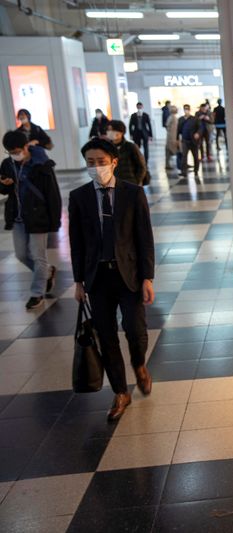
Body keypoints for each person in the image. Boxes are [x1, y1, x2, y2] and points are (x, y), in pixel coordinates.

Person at [69, 137, 155, 422]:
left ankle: (140, 364)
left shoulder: (133, 193)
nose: (96, 167)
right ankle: (121, 392)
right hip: (97, 278)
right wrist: (79, 281)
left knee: (135, 329)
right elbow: (77, 242)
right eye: (90, 163)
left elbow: (144, 238)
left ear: (114, 162)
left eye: (101, 162)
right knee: (106, 338)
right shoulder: (79, 197)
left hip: (128, 274)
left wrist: (147, 277)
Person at [0, 131, 61, 310]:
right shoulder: (7, 164)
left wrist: (54, 220)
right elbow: (2, 189)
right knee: (21, 255)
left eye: (17, 150)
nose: (14, 154)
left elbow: (53, 195)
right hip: (18, 217)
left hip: (38, 216)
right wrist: (4, 185)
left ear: (27, 146)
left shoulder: (42, 165)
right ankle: (48, 272)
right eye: (10, 151)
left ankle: (37, 293)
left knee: (37, 255)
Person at [106, 120, 147, 186]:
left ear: (121, 132)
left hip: (131, 183)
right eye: (108, 130)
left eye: (112, 130)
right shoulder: (107, 148)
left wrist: (137, 181)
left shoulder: (131, 146)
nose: (109, 132)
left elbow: (142, 166)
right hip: (115, 184)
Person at [177, 104, 201, 177]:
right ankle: (183, 171)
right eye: (185, 109)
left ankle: (196, 170)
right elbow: (178, 130)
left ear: (189, 110)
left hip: (193, 141)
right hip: (185, 141)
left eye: (187, 109)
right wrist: (177, 139)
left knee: (195, 156)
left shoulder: (195, 119)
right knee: (184, 156)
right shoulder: (181, 119)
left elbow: (200, 128)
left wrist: (198, 133)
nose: (186, 110)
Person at [165, 106, 180, 170]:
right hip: (171, 137)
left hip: (173, 136)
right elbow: (168, 126)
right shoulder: (172, 117)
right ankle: (168, 165)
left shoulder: (173, 117)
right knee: (170, 151)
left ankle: (179, 164)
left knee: (171, 151)